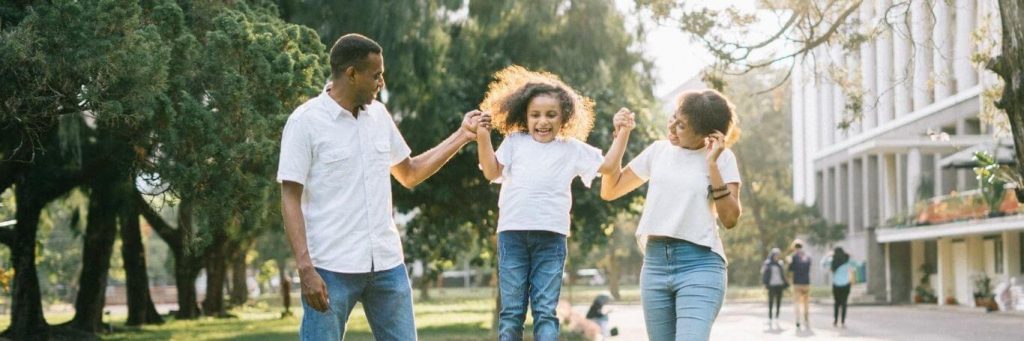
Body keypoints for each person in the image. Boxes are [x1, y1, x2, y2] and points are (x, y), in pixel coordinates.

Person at [277, 33, 482, 340]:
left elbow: (409, 173)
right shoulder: (305, 122)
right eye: (376, 75)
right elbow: (290, 197)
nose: (381, 82)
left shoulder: (379, 117)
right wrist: (305, 268)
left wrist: (463, 135)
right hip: (330, 269)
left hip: (387, 265)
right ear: (351, 74)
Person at [475, 65, 613, 341]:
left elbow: (608, 166)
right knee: (512, 312)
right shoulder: (515, 142)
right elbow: (492, 171)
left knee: (545, 311)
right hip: (512, 235)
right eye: (535, 115)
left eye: (551, 115)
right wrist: (482, 135)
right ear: (524, 116)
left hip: (551, 238)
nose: (543, 121)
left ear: (564, 117)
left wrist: (621, 133)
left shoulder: (571, 148)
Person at [600, 89, 743, 341]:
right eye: (674, 118)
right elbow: (610, 190)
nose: (672, 127)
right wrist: (621, 136)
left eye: (682, 125)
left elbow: (730, 219)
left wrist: (711, 165)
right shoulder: (658, 151)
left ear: (707, 134)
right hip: (655, 264)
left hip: (700, 264)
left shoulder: (723, 159)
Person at [787, 239, 812, 330]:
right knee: (806, 303)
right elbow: (809, 268)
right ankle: (806, 320)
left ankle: (798, 320)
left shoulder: (793, 257)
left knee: (797, 303)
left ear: (794, 247)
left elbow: (790, 269)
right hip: (806, 282)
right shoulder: (807, 256)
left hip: (797, 283)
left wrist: (790, 262)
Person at [828, 247, 855, 328]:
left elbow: (823, 263)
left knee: (836, 303)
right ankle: (843, 322)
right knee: (844, 303)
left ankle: (835, 321)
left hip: (836, 285)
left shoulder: (833, 261)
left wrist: (828, 255)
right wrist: (851, 256)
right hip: (846, 284)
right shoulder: (847, 260)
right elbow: (856, 265)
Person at [761, 247, 788, 326]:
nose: (777, 256)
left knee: (778, 302)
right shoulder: (767, 263)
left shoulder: (780, 263)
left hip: (779, 285)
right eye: (775, 255)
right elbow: (763, 273)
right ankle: (770, 318)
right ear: (772, 255)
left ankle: (777, 317)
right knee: (771, 302)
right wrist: (765, 283)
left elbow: (783, 274)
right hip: (771, 285)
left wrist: (786, 283)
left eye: (778, 255)